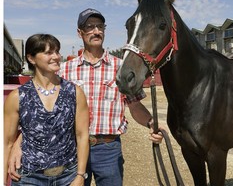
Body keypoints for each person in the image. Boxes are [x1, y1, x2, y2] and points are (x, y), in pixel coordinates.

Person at [8, 9, 163, 186]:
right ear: (79, 32)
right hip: (70, 149)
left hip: (108, 149)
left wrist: (152, 124)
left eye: (100, 26)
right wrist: (19, 142)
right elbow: (43, 111)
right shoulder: (64, 70)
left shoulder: (121, 68)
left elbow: (135, 106)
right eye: (90, 27)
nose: (96, 31)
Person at [4, 34, 90, 186]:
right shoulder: (17, 97)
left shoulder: (74, 92)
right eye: (48, 52)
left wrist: (80, 176)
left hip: (67, 176)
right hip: (28, 178)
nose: (56, 56)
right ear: (31, 58)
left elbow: (82, 135)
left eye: (57, 51)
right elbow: (7, 143)